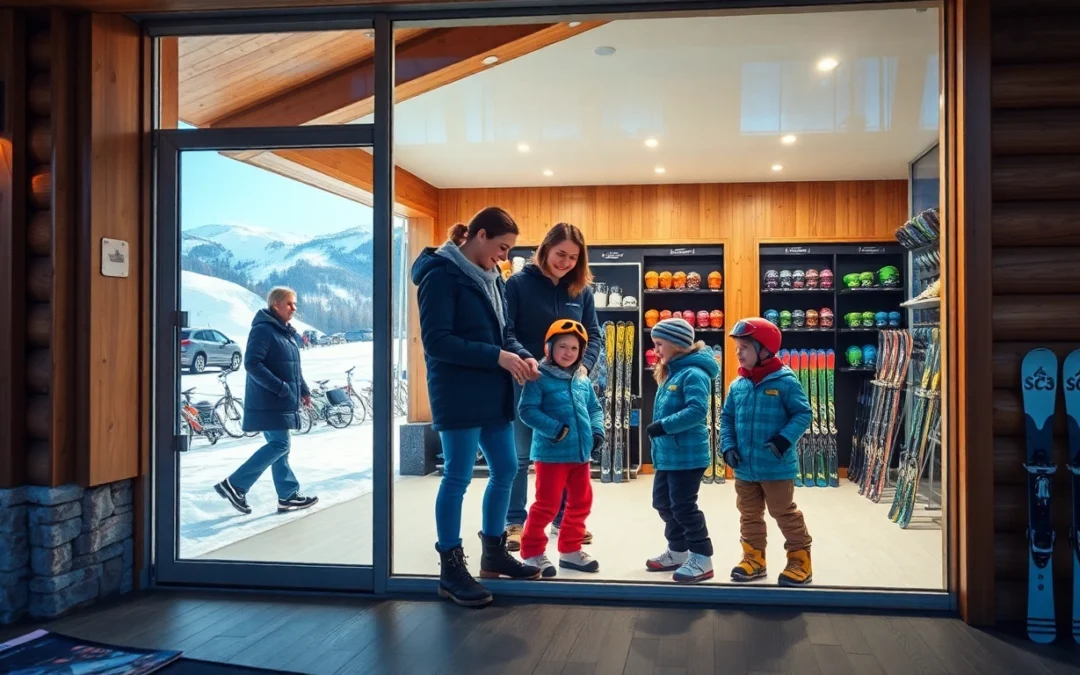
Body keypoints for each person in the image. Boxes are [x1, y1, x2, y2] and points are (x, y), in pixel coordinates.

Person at [411, 207, 542, 608]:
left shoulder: (493, 279)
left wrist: (522, 355)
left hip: (493, 393)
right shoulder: (439, 275)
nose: (504, 257)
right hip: (458, 394)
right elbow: (437, 342)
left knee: (505, 469)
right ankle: (450, 569)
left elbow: (505, 333)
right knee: (457, 477)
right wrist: (499, 357)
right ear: (479, 235)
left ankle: (493, 554)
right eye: (502, 247)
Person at [503, 222, 602, 551]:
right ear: (544, 249)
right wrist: (525, 358)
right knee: (519, 455)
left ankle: (562, 518)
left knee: (564, 453)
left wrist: (583, 368)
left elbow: (594, 335)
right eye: (561, 254)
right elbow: (506, 330)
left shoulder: (580, 291)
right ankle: (514, 522)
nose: (566, 262)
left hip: (568, 387)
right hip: (526, 380)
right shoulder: (517, 284)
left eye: (574, 257)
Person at [721, 317, 814, 586]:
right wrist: (727, 446)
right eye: (737, 347)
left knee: (783, 512)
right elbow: (726, 418)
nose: (738, 352)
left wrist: (783, 440)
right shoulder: (737, 385)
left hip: (776, 466)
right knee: (748, 514)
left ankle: (800, 559)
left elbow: (802, 413)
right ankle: (753, 558)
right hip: (745, 467)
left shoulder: (784, 381)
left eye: (745, 347)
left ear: (764, 349)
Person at [214, 287, 318, 516]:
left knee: (281, 448)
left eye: (295, 304)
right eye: (290, 303)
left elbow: (292, 367)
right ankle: (235, 485)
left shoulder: (283, 332)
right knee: (280, 445)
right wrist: (281, 388)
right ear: (276, 305)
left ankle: (287, 496)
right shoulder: (263, 330)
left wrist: (303, 389)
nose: (294, 308)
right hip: (269, 401)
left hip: (279, 401)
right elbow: (252, 364)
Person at [517, 319, 604, 578]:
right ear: (549, 348)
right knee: (547, 505)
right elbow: (527, 411)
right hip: (551, 454)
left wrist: (597, 431)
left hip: (580, 455)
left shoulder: (582, 379)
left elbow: (594, 409)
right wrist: (555, 429)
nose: (568, 353)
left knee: (581, 503)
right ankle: (532, 552)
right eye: (562, 346)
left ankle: (570, 551)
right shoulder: (539, 378)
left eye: (575, 349)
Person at [643, 318, 719, 583]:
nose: (656, 350)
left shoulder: (694, 373)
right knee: (662, 503)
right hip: (668, 455)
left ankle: (701, 557)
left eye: (659, 344)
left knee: (684, 506)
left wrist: (663, 426)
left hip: (688, 456)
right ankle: (678, 550)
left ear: (676, 344)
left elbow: (697, 411)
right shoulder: (672, 372)